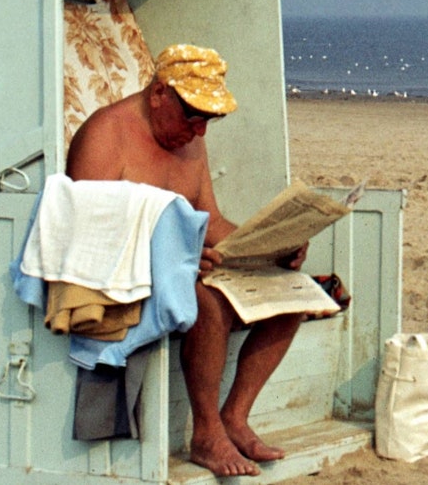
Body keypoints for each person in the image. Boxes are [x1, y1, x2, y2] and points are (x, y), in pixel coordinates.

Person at [66, 44, 308, 477]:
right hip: (123, 274)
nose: (199, 132)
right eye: (192, 117)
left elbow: (209, 220)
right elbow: (85, 234)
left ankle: (235, 416)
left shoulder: (190, 141)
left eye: (208, 121)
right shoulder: (107, 134)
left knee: (291, 294)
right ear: (159, 93)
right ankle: (206, 433)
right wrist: (171, 257)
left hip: (179, 267)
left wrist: (272, 246)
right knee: (206, 297)